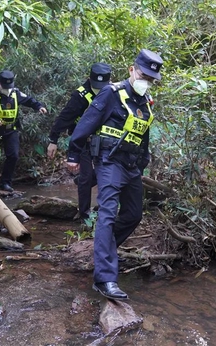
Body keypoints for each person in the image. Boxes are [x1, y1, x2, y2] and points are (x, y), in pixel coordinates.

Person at [66, 49, 163, 300]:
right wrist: (74, 154)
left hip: (131, 166)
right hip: (109, 162)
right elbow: (86, 122)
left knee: (133, 214)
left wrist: (143, 163)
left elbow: (143, 136)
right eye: (144, 75)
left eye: (151, 79)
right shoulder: (111, 93)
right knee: (107, 214)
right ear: (132, 70)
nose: (147, 81)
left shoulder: (144, 102)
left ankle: (104, 251)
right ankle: (105, 279)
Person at [47, 63, 112, 221]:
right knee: (86, 176)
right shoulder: (80, 96)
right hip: (83, 140)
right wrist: (53, 140)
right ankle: (84, 215)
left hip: (105, 140)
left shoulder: (113, 92)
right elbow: (65, 117)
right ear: (89, 79)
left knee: (105, 173)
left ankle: (86, 187)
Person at [0, 70, 48, 192]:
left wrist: (39, 106)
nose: (7, 90)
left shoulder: (15, 93)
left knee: (13, 156)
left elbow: (29, 100)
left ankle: (5, 183)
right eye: (5, 87)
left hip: (11, 130)